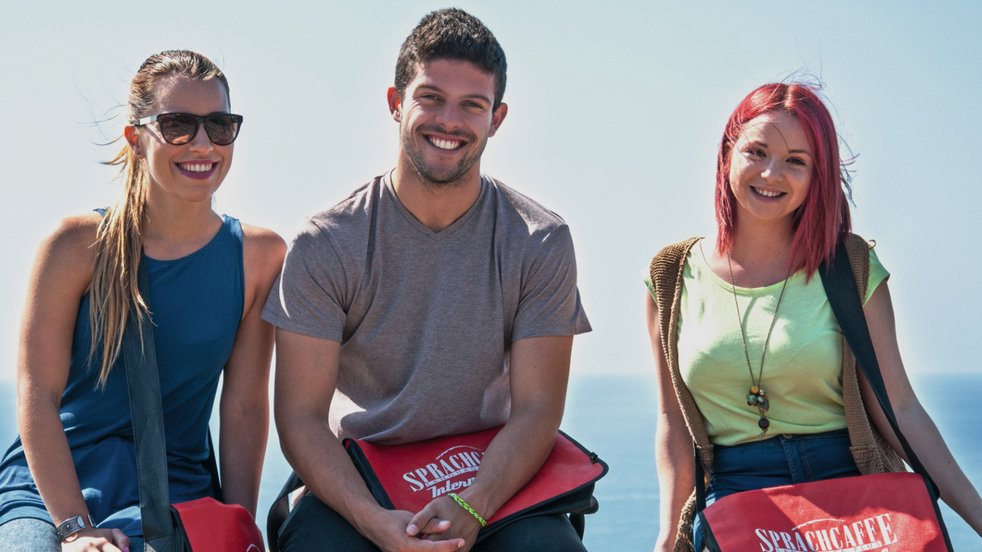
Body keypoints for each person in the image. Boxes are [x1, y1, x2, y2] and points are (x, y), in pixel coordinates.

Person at [264, 8, 591, 552]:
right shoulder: (326, 243)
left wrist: (473, 504)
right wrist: (373, 521)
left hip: (490, 478)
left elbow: (537, 410)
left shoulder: (538, 240)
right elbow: (299, 416)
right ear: (395, 103)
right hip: (361, 481)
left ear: (497, 118)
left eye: (472, 105)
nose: (449, 121)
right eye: (431, 98)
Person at [644, 82, 982, 551]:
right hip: (738, 493)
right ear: (727, 154)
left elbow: (900, 408)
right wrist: (666, 537)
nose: (771, 173)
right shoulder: (671, 275)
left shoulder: (850, 265)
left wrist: (980, 516)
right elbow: (673, 422)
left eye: (795, 161)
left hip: (854, 492)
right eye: (756, 151)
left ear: (816, 175)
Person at [0, 50, 285, 551]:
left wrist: (242, 528)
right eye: (178, 125)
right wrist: (74, 529)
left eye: (220, 125)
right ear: (136, 138)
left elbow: (243, 408)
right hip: (49, 495)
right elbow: (36, 397)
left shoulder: (259, 257)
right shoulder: (74, 245)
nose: (202, 143)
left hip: (176, 496)